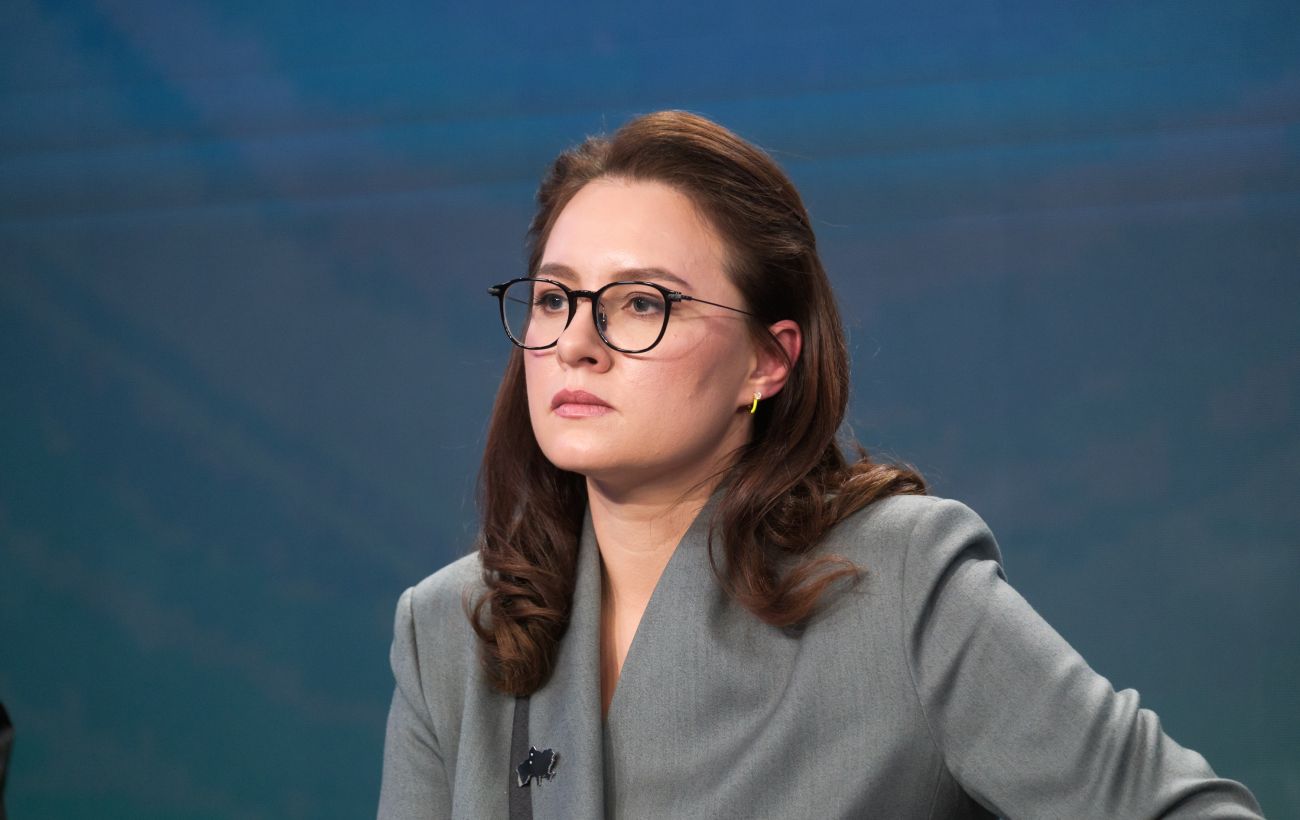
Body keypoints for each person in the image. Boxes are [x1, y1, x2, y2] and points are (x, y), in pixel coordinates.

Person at [377, 111, 1264, 819]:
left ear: (768, 360)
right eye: (553, 298)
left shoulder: (899, 583)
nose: (576, 342)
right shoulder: (447, 629)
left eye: (640, 303)